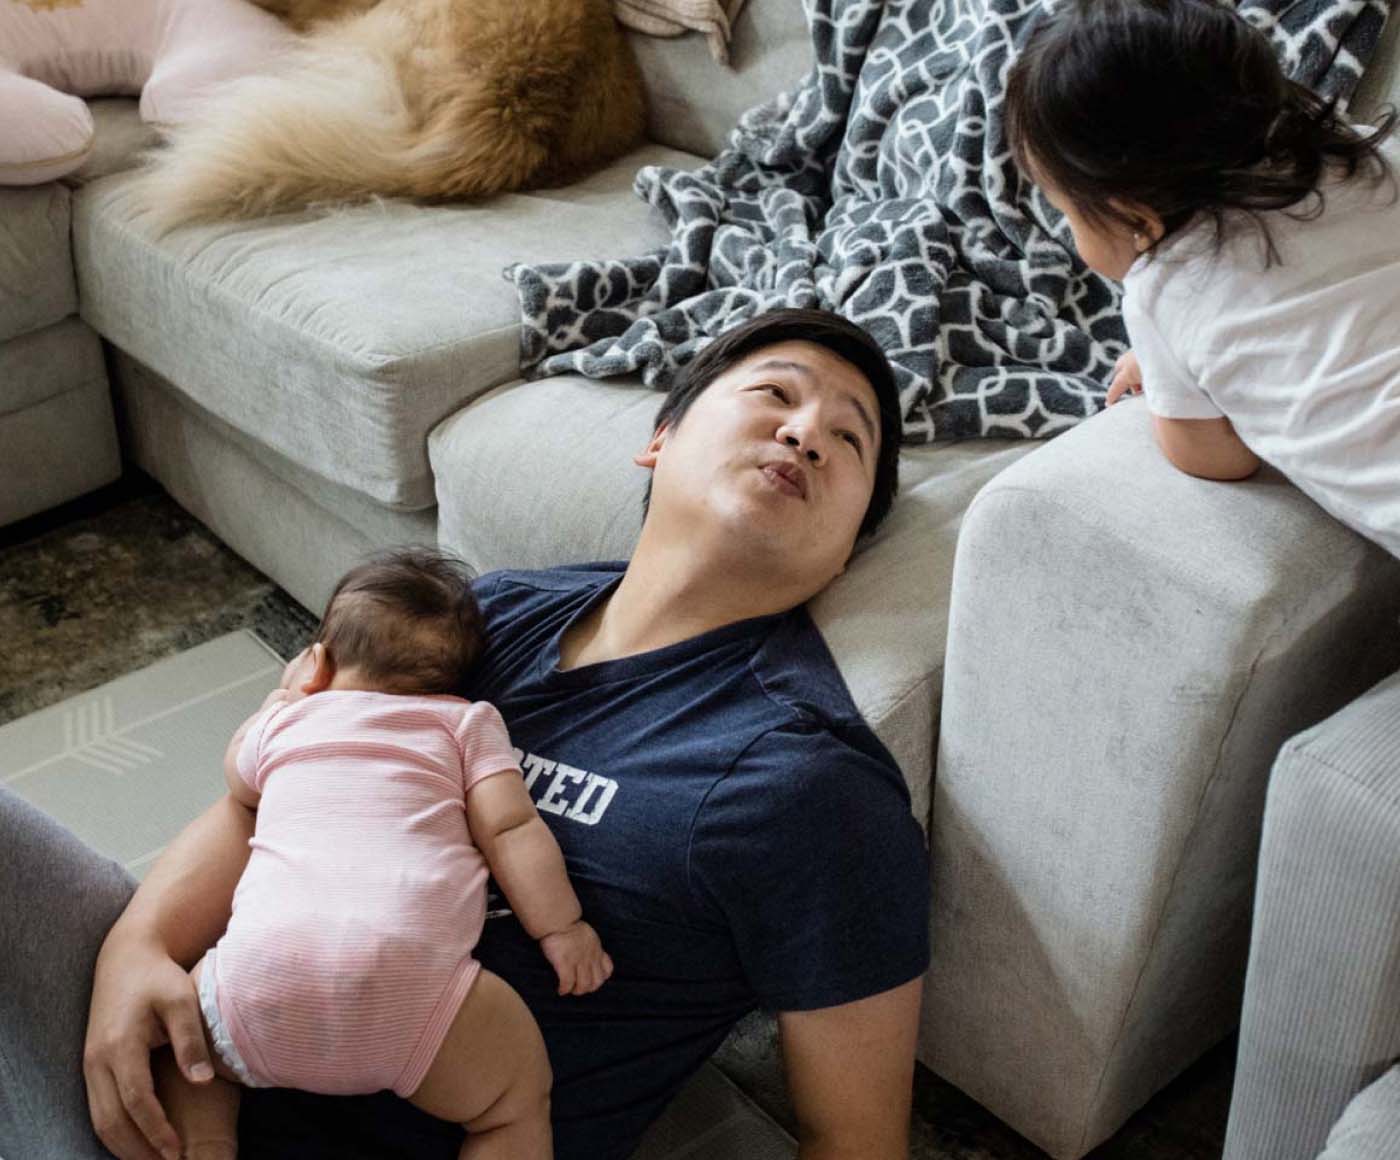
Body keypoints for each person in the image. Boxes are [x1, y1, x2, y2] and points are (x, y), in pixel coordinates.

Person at [1, 306, 930, 1160]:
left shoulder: (811, 783)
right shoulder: (493, 612)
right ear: (659, 439)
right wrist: (138, 949)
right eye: (774, 393)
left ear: (849, 543)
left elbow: (854, 1141)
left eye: (849, 439)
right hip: (188, 1057)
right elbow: (279, 787)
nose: (806, 432)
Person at [155, 548, 612, 1160]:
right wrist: (562, 928)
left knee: (181, 1044)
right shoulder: (466, 724)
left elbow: (240, 785)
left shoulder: (286, 722)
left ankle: (207, 1145)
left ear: (316, 662)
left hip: (261, 979)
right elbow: (511, 830)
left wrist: (284, 699)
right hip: (410, 994)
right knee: (515, 1104)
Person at [1005, 0, 1400, 558]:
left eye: (1066, 213)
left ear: (1138, 219)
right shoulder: (1371, 156)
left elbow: (1216, 459)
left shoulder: (1162, 292)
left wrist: (1170, 364)